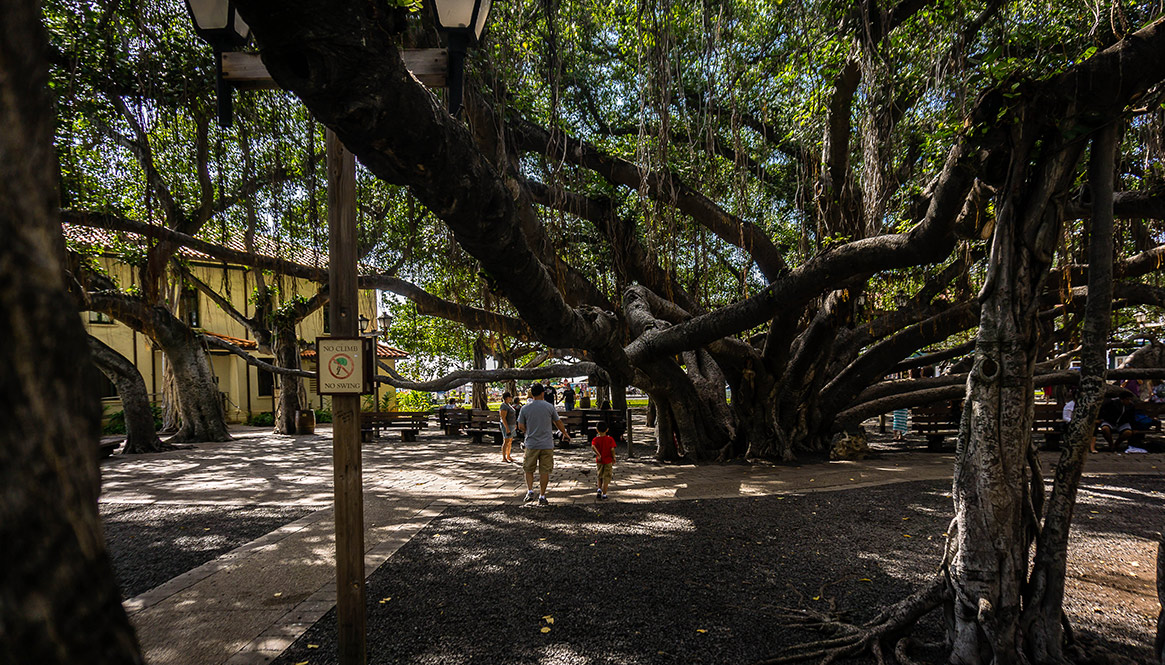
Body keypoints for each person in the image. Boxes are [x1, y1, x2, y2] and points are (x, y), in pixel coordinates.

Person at [518, 383, 570, 505]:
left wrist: (528, 431)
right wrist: (565, 434)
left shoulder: (525, 408)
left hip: (531, 444)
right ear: (542, 393)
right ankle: (542, 495)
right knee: (544, 471)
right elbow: (558, 422)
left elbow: (520, 426)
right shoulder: (549, 407)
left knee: (528, 469)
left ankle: (530, 491)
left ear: (532, 394)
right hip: (547, 444)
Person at [590, 421, 617, 500]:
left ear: (597, 430)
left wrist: (598, 454)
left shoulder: (595, 439)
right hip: (608, 460)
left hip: (599, 461)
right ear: (607, 430)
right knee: (606, 477)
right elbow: (612, 449)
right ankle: (604, 494)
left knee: (600, 475)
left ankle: (599, 489)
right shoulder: (610, 439)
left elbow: (593, 446)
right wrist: (614, 457)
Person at [499, 392, 517, 463]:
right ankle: (504, 457)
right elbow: (503, 418)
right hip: (507, 425)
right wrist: (507, 428)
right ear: (507, 397)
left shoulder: (508, 405)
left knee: (510, 441)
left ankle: (508, 455)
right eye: (510, 397)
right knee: (506, 441)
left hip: (511, 425)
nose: (511, 398)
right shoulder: (503, 406)